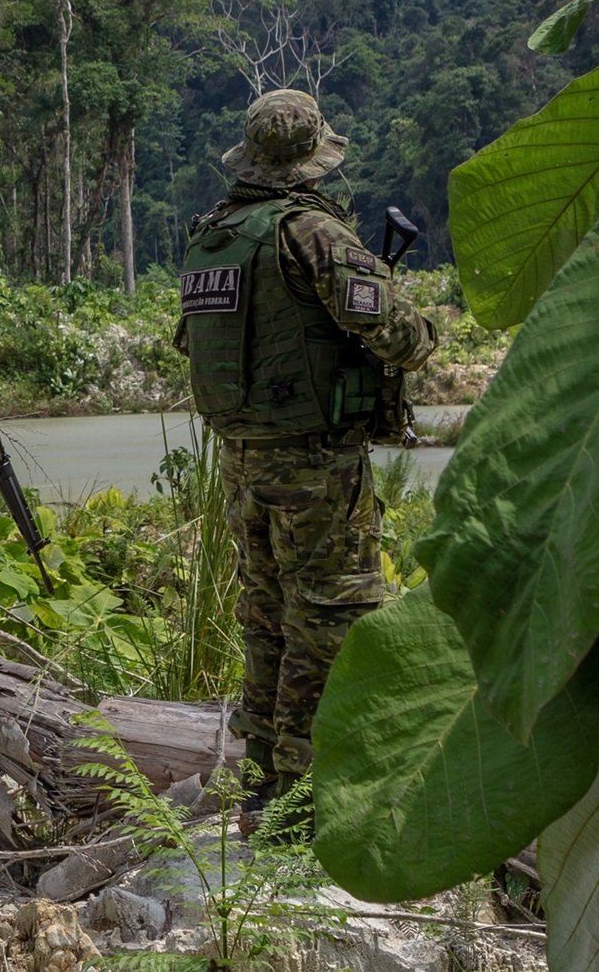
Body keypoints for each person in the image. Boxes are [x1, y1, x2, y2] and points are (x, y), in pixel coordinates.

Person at [174, 88, 440, 815]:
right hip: (315, 465)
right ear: (312, 156)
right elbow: (400, 338)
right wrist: (413, 315)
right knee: (328, 618)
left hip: (242, 460)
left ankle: (262, 772)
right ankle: (304, 794)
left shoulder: (213, 235)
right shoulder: (312, 233)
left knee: (266, 615)